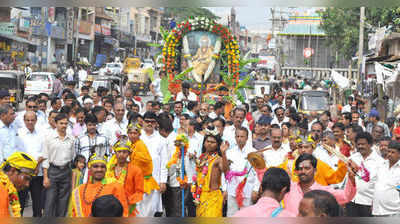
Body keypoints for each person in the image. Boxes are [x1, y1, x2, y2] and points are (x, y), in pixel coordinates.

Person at [282, 153, 357, 216]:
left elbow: (345, 196)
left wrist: (351, 179)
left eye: (307, 168)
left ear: (315, 171)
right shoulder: (288, 188)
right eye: (300, 169)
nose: (303, 171)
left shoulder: (324, 192)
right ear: (296, 171)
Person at [42, 113, 75, 217]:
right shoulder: (49, 138)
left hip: (66, 171)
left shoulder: (71, 139)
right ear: (55, 124)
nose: (64, 126)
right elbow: (45, 158)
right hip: (53, 171)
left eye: (66, 123)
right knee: (50, 201)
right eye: (61, 123)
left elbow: (72, 157)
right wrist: (45, 177)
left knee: (63, 201)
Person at [192, 126, 229, 217]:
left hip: (213, 197)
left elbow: (226, 171)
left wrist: (224, 153)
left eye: (213, 142)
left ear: (217, 145)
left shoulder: (218, 159)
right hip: (200, 197)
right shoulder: (201, 158)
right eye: (207, 141)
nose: (209, 144)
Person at [346, 132, 385, 217]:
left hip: (368, 203)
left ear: (370, 144)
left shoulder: (380, 162)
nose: (360, 146)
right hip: (352, 201)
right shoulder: (352, 158)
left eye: (363, 144)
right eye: (358, 144)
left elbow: (381, 185)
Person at [126, 121, 159, 217]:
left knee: (143, 212)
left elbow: (145, 161)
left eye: (135, 133)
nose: (132, 135)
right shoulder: (132, 145)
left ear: (139, 134)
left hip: (145, 182)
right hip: (137, 182)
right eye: (130, 133)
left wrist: (132, 154)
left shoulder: (140, 145)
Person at [106, 135, 144, 216]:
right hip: (109, 208)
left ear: (129, 154)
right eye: (119, 152)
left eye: (124, 152)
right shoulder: (109, 169)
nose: (121, 154)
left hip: (129, 208)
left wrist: (126, 200)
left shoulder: (136, 170)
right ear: (115, 153)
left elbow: (139, 192)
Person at [225, 127, 260, 216]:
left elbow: (258, 173)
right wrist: (225, 189)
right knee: (231, 216)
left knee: (247, 217)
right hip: (232, 189)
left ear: (247, 138)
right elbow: (225, 173)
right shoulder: (229, 152)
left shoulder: (254, 153)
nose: (239, 139)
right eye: (237, 136)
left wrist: (256, 190)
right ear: (235, 137)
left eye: (242, 136)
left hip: (248, 190)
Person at [17, 111, 45, 217]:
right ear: (24, 121)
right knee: (20, 204)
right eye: (27, 120)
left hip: (38, 173)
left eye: (32, 120)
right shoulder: (19, 133)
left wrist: (37, 165)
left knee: (38, 205)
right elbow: (18, 154)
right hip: (23, 174)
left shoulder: (42, 134)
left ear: (36, 120)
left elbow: (44, 152)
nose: (30, 122)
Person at [0, 152, 37, 217]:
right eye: (26, 178)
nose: (27, 184)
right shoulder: (2, 191)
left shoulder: (9, 190)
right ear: (12, 171)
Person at [372, 140, 400, 217]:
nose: (389, 154)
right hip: (377, 211)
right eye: (389, 151)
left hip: (394, 213)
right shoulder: (381, 165)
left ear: (399, 154)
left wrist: (396, 187)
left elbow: (398, 187)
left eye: (393, 152)